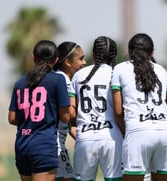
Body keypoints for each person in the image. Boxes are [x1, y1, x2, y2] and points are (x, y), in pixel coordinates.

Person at [111, 33, 167, 181]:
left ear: (129, 50)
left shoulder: (120, 69)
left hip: (138, 131)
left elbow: (118, 110)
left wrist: (127, 132)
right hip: (164, 131)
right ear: (152, 52)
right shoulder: (161, 70)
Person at [8, 40, 70, 181]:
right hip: (43, 145)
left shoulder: (20, 82)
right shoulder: (58, 79)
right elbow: (66, 117)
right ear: (56, 60)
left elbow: (12, 118)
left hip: (22, 144)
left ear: (33, 58)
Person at [70, 36, 123, 181]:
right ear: (114, 55)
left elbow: (71, 111)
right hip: (112, 137)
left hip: (85, 138)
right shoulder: (117, 73)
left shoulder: (78, 75)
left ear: (93, 53)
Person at [54, 41, 86, 181]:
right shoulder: (64, 81)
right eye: (80, 58)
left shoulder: (56, 77)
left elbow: (66, 123)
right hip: (56, 145)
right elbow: (69, 115)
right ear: (67, 62)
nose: (84, 62)